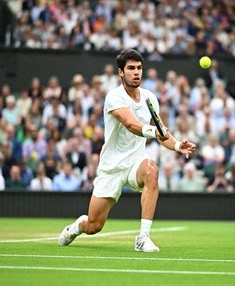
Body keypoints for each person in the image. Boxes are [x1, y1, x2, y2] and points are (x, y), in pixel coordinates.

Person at [58, 49, 196, 252]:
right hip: (111, 167)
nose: (136, 72)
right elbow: (131, 124)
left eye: (139, 68)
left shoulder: (150, 98)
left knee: (151, 170)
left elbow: (162, 132)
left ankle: (143, 238)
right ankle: (78, 226)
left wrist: (176, 145)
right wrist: (155, 132)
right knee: (94, 226)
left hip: (135, 162)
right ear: (121, 72)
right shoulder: (114, 97)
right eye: (131, 68)